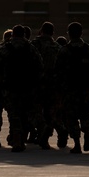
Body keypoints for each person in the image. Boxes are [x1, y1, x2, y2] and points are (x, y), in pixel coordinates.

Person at [0, 24, 44, 152]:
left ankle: (17, 141)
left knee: (14, 115)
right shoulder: (31, 48)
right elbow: (39, 66)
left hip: (11, 86)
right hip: (28, 87)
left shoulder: (6, 47)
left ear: (12, 34)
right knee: (27, 114)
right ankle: (39, 134)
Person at [55, 22, 89, 154]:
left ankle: (77, 143)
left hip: (69, 91)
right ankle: (87, 133)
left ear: (68, 34)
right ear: (81, 33)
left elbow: (58, 72)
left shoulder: (64, 51)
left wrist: (59, 90)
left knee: (71, 117)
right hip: (85, 89)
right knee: (85, 114)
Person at [31, 21, 63, 149]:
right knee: (51, 111)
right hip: (53, 85)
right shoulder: (58, 47)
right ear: (53, 33)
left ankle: (43, 134)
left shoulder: (34, 45)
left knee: (36, 112)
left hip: (38, 84)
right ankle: (59, 129)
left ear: (41, 31)